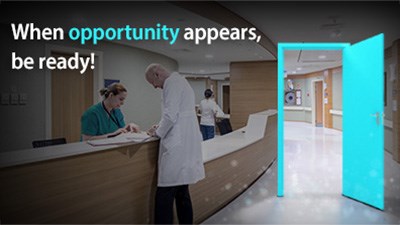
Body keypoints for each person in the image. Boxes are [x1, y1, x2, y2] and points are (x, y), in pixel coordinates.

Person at [145, 63, 205, 224]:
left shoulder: (171, 83)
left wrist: (157, 132)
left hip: (177, 148)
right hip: (185, 143)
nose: (155, 87)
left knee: (164, 195)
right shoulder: (181, 81)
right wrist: (159, 125)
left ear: (157, 74)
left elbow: (171, 116)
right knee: (182, 193)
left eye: (153, 83)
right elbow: (175, 114)